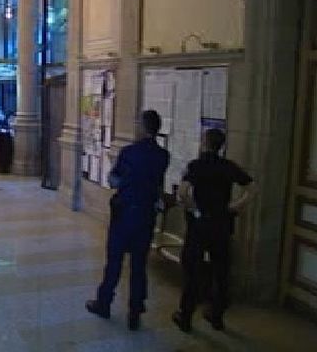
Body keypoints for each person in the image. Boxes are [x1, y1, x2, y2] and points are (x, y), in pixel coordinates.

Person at [86, 110, 169, 331]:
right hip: (146, 216)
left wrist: (117, 179)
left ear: (144, 127)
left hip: (124, 215)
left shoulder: (129, 152)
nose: (135, 126)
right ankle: (135, 312)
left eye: (138, 123)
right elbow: (157, 184)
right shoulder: (163, 156)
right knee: (139, 265)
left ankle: (104, 303)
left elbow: (114, 180)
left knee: (114, 262)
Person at [172, 128, 255, 333]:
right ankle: (216, 315)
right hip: (222, 224)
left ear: (204, 143)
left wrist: (194, 208)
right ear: (221, 146)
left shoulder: (196, 165)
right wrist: (236, 206)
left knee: (192, 270)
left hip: (200, 226)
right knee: (221, 270)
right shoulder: (228, 166)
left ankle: (186, 315)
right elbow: (252, 188)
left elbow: (183, 192)